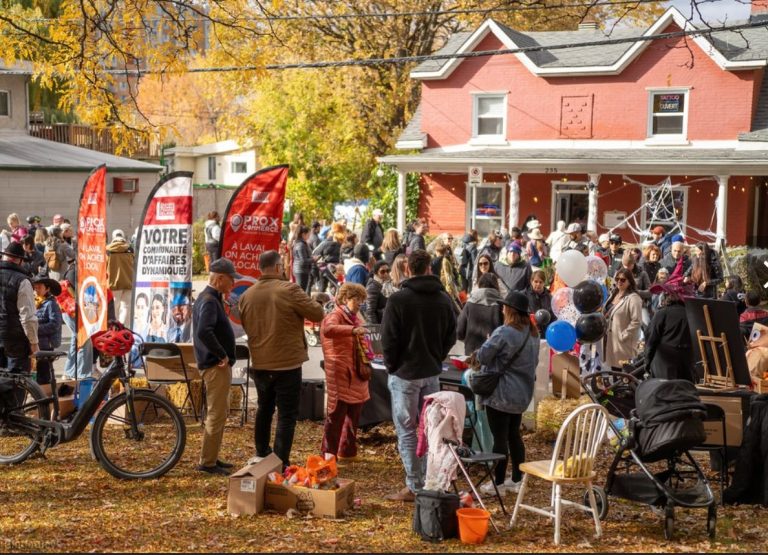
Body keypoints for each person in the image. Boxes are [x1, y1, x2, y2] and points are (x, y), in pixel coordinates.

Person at [381, 249, 457, 501]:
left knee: (409, 430)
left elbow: (388, 340)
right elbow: (451, 335)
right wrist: (436, 356)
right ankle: (425, 481)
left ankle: (416, 485)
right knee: (429, 430)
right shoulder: (442, 299)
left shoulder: (399, 300)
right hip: (428, 371)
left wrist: (393, 365)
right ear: (429, 268)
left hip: (407, 373)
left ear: (407, 269)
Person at [239, 250, 325, 467]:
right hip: (287, 363)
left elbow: (246, 325)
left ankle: (262, 452)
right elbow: (317, 314)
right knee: (286, 415)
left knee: (264, 408)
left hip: (260, 362)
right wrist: (317, 300)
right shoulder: (289, 289)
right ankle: (280, 460)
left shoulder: (247, 295)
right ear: (278, 267)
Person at [476, 290, 539, 494]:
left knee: (500, 438)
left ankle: (499, 483)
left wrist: (488, 341)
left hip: (501, 394)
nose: (502, 310)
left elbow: (483, 357)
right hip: (522, 394)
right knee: (514, 436)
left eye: (504, 307)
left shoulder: (504, 332)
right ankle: (517, 479)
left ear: (510, 310)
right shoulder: (532, 334)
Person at [192, 257, 239, 476]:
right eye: (231, 279)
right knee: (216, 413)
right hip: (214, 366)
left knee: (219, 412)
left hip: (214, 364)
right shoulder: (210, 300)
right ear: (220, 278)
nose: (233, 283)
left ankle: (211, 456)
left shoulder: (209, 297)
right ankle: (208, 462)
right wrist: (222, 354)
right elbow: (204, 330)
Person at [320, 283, 371, 462]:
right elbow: (328, 329)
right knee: (336, 415)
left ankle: (347, 452)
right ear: (345, 299)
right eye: (356, 299)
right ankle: (328, 456)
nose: (359, 304)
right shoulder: (335, 315)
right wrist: (352, 330)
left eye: (362, 300)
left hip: (356, 371)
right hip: (341, 372)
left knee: (354, 413)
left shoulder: (355, 317)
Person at [645, 278, 695, 382]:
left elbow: (651, 340)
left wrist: (647, 363)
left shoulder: (663, 313)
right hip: (686, 365)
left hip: (664, 365)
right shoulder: (694, 315)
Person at [0, 242, 39, 374]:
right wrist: (34, 343)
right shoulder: (22, 281)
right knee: (16, 381)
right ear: (20, 261)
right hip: (15, 341)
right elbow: (27, 317)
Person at [603, 268, 643, 371]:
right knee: (615, 371)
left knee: (624, 373)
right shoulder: (614, 294)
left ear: (630, 281)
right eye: (617, 279)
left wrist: (624, 335)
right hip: (611, 340)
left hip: (624, 343)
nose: (619, 282)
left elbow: (637, 321)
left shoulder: (634, 298)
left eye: (623, 280)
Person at [457, 272, 503, 355]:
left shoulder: (470, 304)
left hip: (471, 354)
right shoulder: (501, 305)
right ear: (496, 286)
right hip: (493, 354)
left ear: (480, 284)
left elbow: (459, 331)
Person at [31, 274, 62, 386]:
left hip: (46, 345)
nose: (36, 290)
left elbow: (55, 324)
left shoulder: (51, 304)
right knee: (36, 373)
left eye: (39, 287)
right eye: (35, 287)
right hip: (36, 343)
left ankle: (45, 394)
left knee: (43, 375)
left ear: (47, 289)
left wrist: (35, 329)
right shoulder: (34, 302)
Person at [106, 229, 135, 327]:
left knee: (114, 307)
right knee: (126, 306)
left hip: (113, 283)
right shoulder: (130, 249)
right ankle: (123, 327)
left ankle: (114, 327)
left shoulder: (107, 250)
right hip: (128, 282)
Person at [524, 269, 554, 334]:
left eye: (541, 282)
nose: (538, 284)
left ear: (544, 283)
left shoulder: (549, 297)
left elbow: (553, 316)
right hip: (530, 331)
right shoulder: (525, 295)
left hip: (546, 331)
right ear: (531, 281)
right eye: (536, 281)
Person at [365, 260, 390, 324]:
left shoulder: (385, 284)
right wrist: (375, 328)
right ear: (376, 273)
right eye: (382, 272)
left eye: (388, 271)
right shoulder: (372, 287)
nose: (386, 274)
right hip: (379, 324)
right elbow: (370, 312)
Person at [291, 225, 313, 293]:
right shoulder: (301, 245)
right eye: (308, 234)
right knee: (301, 291)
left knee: (301, 291)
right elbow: (303, 260)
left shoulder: (300, 243)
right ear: (303, 234)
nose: (309, 236)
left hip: (301, 270)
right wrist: (313, 259)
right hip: (301, 270)